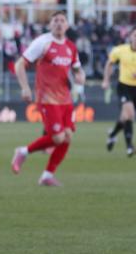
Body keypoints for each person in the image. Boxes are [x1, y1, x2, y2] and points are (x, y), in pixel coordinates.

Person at [10, 11, 85, 187]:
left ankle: (47, 175)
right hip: (47, 98)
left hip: (66, 99)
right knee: (58, 138)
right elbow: (20, 64)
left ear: (67, 25)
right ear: (50, 24)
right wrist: (25, 87)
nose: (59, 23)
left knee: (67, 137)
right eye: (55, 20)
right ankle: (23, 151)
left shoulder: (71, 47)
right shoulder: (42, 42)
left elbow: (77, 69)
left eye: (62, 20)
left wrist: (81, 77)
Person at [102, 26, 136, 157]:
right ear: (130, 37)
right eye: (135, 35)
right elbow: (109, 63)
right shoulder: (120, 50)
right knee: (130, 114)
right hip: (123, 86)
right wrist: (106, 80)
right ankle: (129, 147)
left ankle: (112, 135)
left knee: (125, 117)